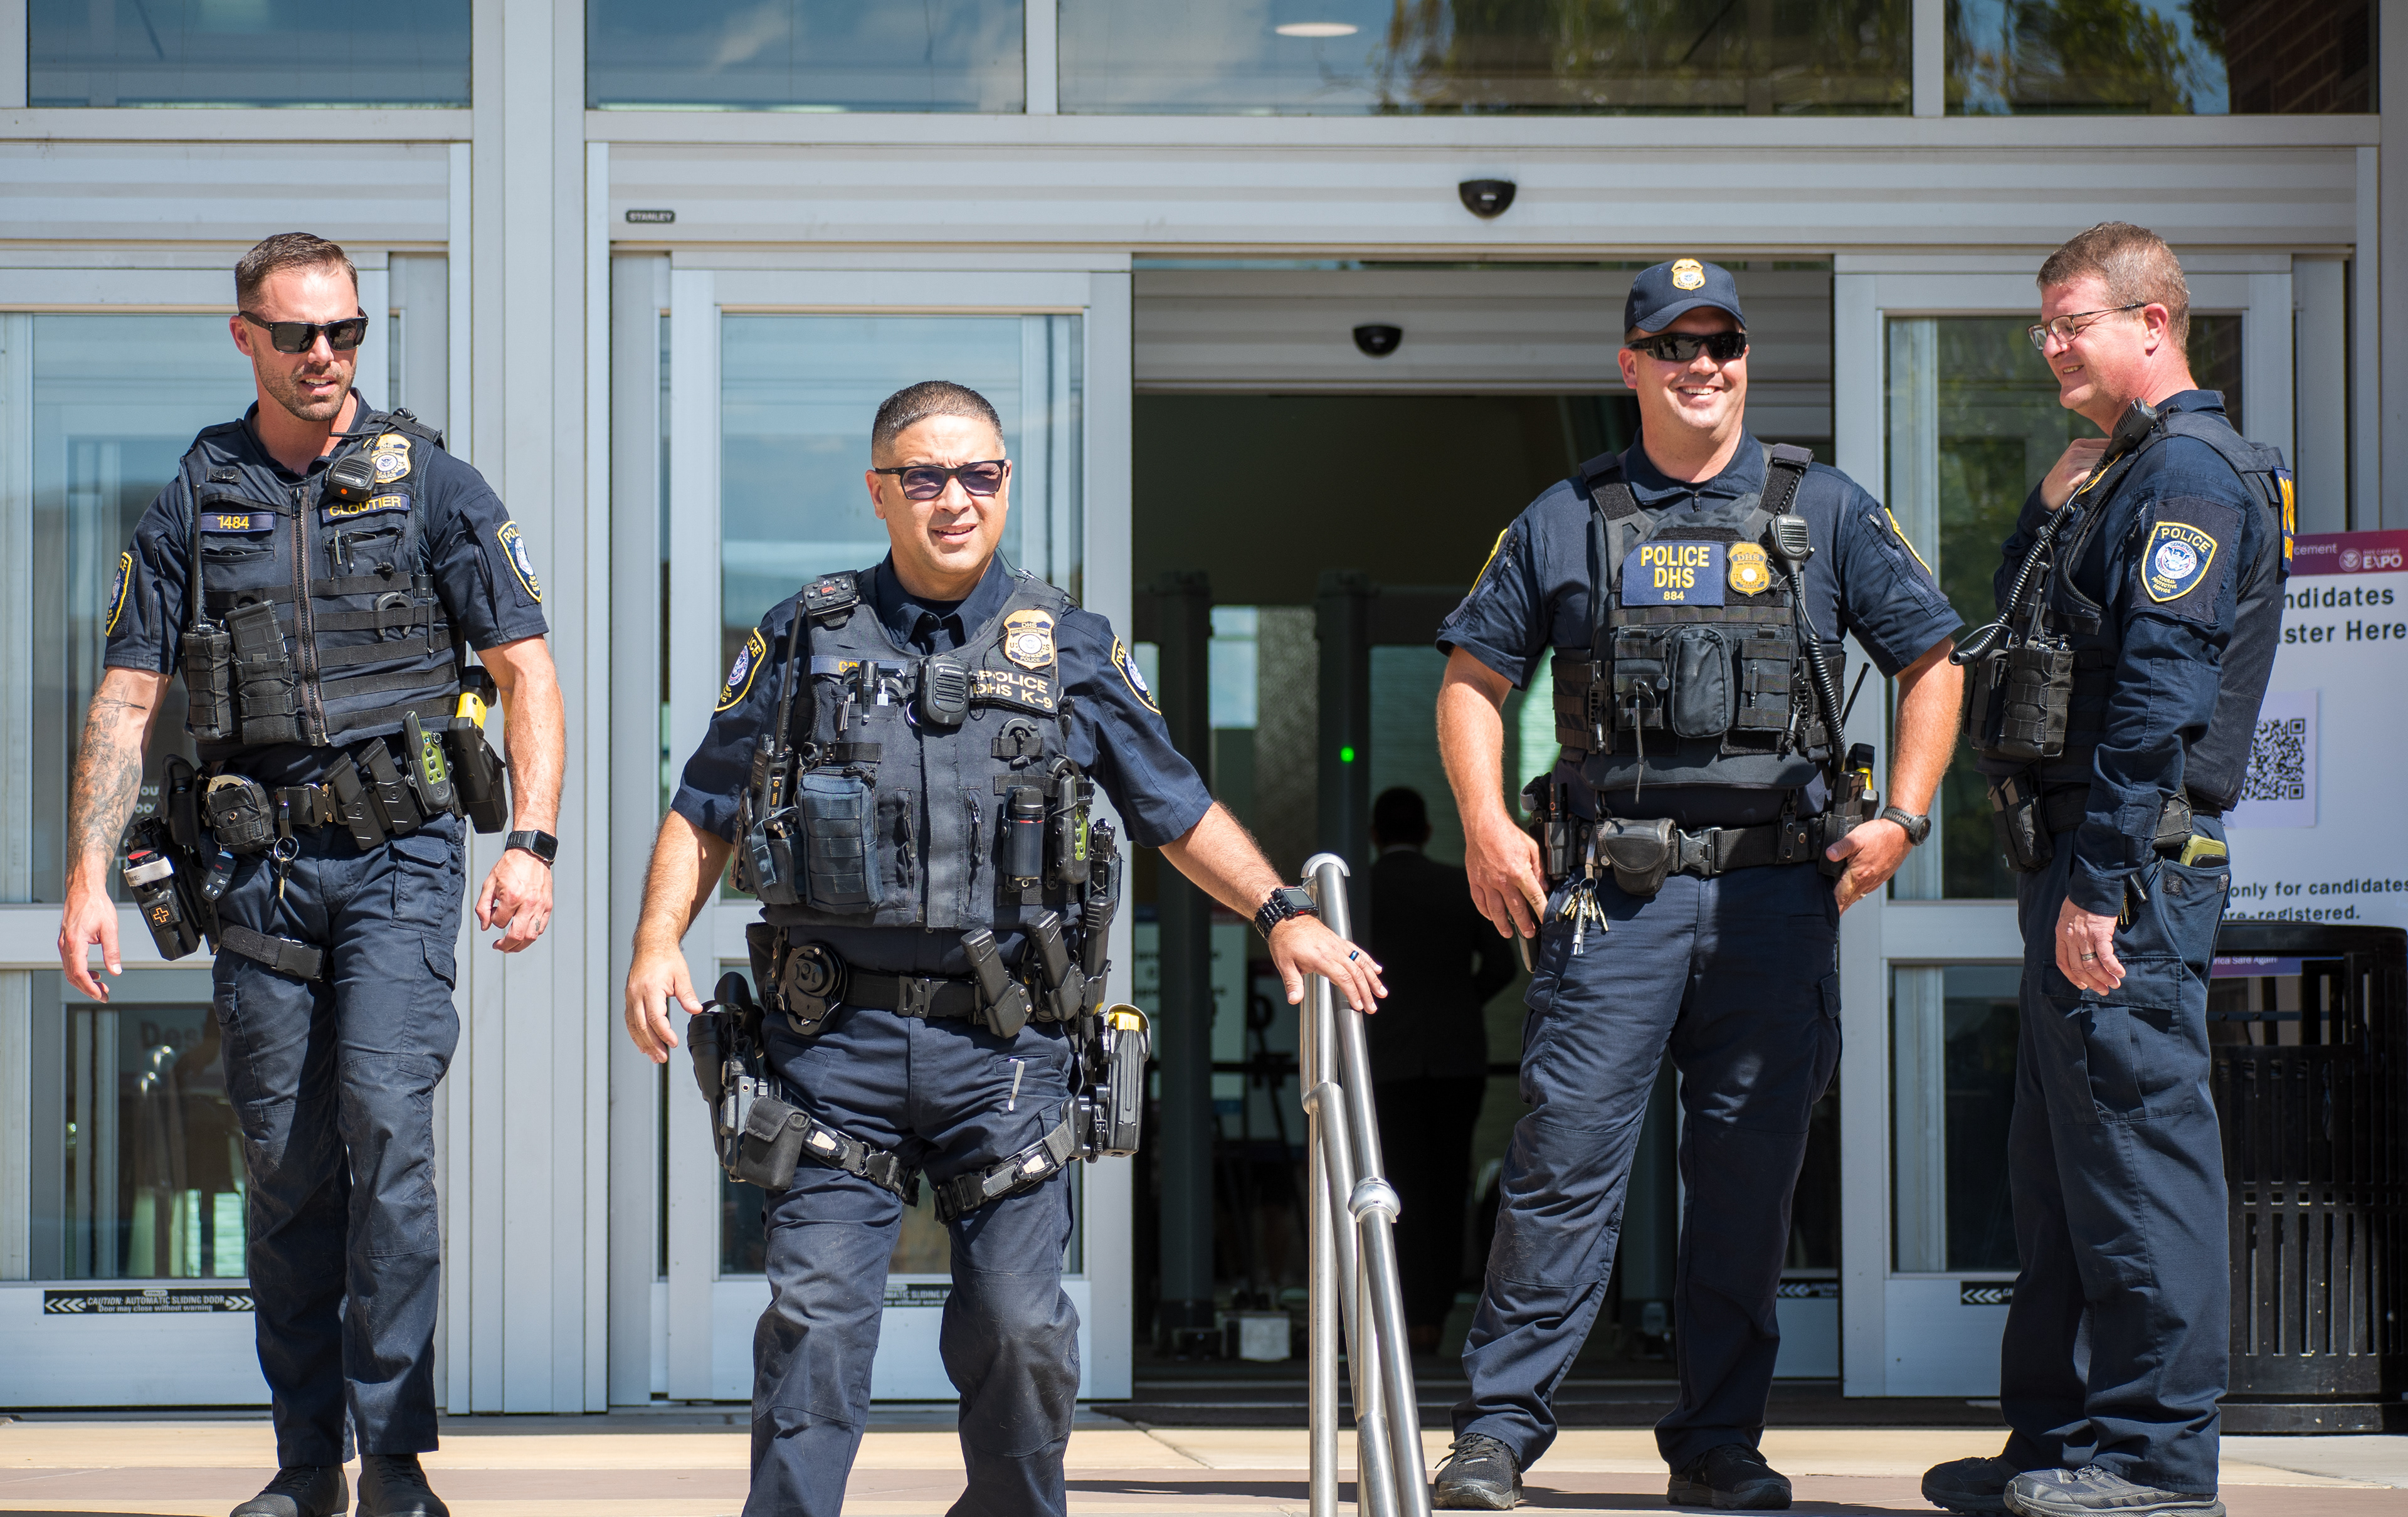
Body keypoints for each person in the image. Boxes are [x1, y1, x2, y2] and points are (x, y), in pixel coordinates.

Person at [621, 380, 1382, 1517]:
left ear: (1006, 483)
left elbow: (1173, 807)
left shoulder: (1069, 642)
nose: (955, 499)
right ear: (879, 490)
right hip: (834, 1045)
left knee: (1023, 1332)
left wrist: (1282, 910)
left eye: (979, 473)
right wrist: (654, 941)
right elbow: (705, 803)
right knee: (817, 1327)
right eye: (924, 476)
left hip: (1012, 1053)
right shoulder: (802, 633)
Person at [1432, 258, 1965, 1511]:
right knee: (1561, 1169)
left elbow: (1935, 657)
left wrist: (1905, 817)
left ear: (1743, 361)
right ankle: (1495, 1439)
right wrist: (1482, 825)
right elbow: (1472, 675)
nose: (1702, 366)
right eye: (1674, 347)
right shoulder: (1565, 516)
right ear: (1631, 367)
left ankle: (1721, 1443)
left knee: (1745, 1183)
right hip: (1612, 904)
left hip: (1776, 903)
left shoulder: (1822, 508)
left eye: (1721, 343)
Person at [56, 233, 566, 1517]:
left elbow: (527, 673)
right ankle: (304, 1465)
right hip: (259, 874)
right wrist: (84, 879)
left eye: (346, 332)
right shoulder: (194, 493)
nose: (328, 356)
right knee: (285, 1164)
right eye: (300, 336)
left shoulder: (432, 483)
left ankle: (393, 1463)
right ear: (246, 339)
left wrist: (534, 843)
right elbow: (129, 696)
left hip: (399, 859)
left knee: (388, 1132)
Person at [1921, 225, 2289, 1517]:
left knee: (2135, 1159)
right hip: (2078, 857)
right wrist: (2044, 506)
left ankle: (2155, 1464)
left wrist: (2102, 882)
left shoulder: (2190, 474)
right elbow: (2019, 637)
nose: (2050, 346)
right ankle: (2058, 1442)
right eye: (2042, 325)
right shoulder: (2117, 472)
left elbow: (2158, 701)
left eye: (2069, 321)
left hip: (2125, 863)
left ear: (2154, 322)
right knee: (2061, 1167)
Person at [1363, 785, 1517, 1354]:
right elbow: (1501, 965)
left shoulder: (1364, 893)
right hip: (1458, 1057)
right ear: (1427, 831)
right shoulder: (1458, 885)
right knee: (1448, 1183)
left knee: (1394, 1183)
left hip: (1388, 1057)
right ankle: (1436, 1319)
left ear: (1376, 834)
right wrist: (1460, 1004)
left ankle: (1403, 1316)